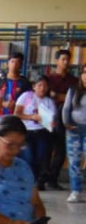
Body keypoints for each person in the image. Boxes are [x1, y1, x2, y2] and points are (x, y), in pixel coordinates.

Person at [43, 49, 76, 190]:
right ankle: (41, 179)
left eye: (68, 59)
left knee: (61, 151)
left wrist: (57, 95)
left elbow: (74, 99)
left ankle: (53, 179)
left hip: (65, 119)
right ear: (56, 60)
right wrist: (61, 97)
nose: (66, 62)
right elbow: (42, 95)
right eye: (63, 59)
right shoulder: (48, 79)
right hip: (47, 117)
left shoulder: (73, 80)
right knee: (45, 149)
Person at [14, 76, 56, 185]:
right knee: (28, 156)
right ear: (34, 86)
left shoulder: (48, 102)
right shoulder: (26, 96)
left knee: (41, 156)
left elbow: (53, 118)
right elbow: (17, 113)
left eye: (45, 86)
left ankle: (37, 180)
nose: (42, 88)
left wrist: (52, 123)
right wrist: (31, 117)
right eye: (39, 85)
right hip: (27, 130)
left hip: (42, 131)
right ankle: (26, 180)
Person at [62, 67, 86, 203]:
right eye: (84, 73)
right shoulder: (73, 90)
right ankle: (75, 190)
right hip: (74, 129)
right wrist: (67, 123)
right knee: (74, 161)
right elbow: (66, 108)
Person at [0, 51, 31, 117]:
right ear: (8, 63)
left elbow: (30, 100)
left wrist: (18, 105)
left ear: (21, 65)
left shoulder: (25, 82)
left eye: (17, 62)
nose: (14, 65)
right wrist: (3, 103)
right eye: (12, 61)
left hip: (18, 117)